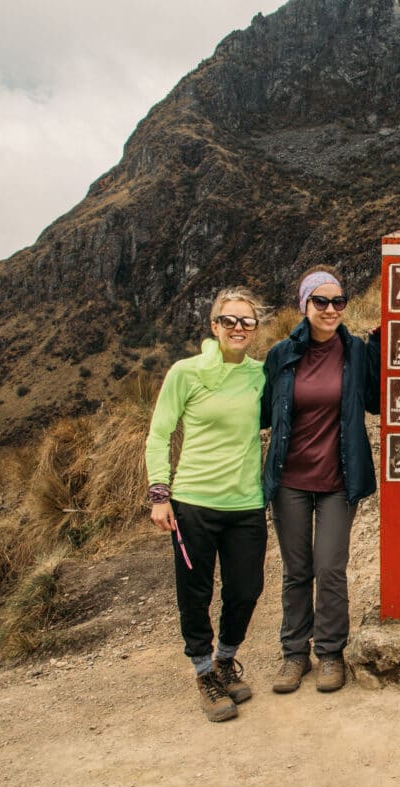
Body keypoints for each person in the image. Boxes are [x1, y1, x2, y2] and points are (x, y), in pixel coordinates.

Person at [146, 287, 268, 723]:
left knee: (246, 589)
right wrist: (160, 494)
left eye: (247, 322)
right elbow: (160, 434)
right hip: (193, 502)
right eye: (229, 321)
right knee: (194, 594)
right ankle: (203, 673)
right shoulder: (186, 372)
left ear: (255, 329)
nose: (238, 328)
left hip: (246, 503)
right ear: (214, 326)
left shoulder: (260, 374)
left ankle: (224, 659)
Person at [261, 266, 380, 694]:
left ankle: (330, 652)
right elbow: (263, 411)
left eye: (338, 301)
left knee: (330, 567)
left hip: (338, 478)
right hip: (290, 479)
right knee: (297, 570)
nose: (331, 309)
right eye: (321, 301)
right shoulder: (281, 354)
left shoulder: (357, 351)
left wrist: (383, 345)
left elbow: (376, 403)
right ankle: (295, 654)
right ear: (304, 305)